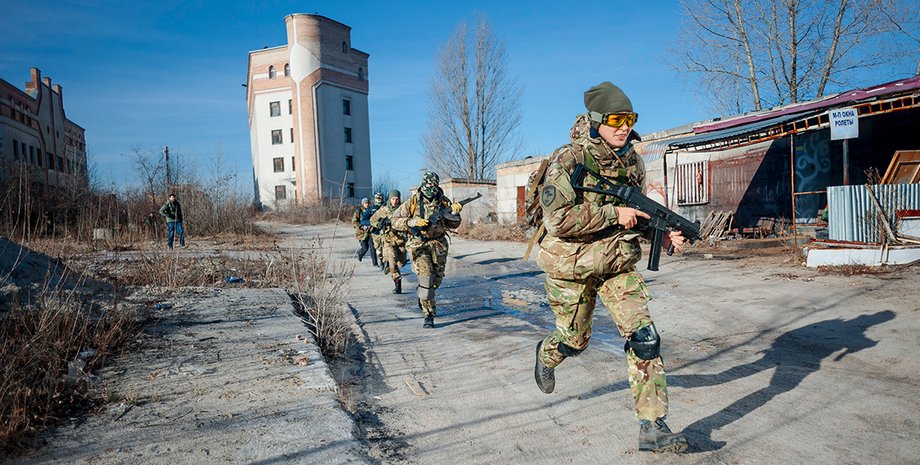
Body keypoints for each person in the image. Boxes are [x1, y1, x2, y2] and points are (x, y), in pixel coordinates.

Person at [532, 82, 688, 453]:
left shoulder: (632, 160)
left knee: (645, 338)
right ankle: (546, 355)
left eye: (629, 119)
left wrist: (661, 235)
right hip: (571, 264)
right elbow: (557, 221)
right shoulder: (568, 161)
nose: (623, 127)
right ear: (596, 121)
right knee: (574, 341)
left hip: (616, 263)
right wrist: (612, 213)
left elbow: (637, 213)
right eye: (616, 120)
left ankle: (652, 426)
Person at [391, 172, 462, 328]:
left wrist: (456, 213)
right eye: (428, 185)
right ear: (423, 185)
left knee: (436, 280)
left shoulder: (443, 201)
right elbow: (394, 221)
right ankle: (428, 314)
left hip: (439, 244)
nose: (431, 188)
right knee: (426, 277)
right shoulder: (413, 202)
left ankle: (423, 294)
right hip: (419, 244)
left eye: (434, 185)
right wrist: (411, 222)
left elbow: (453, 225)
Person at [370, 189, 408, 294]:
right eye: (393, 199)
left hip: (401, 241)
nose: (395, 201)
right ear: (389, 199)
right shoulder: (384, 210)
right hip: (388, 241)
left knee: (401, 263)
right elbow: (372, 220)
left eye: (397, 199)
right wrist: (380, 224)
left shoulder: (404, 209)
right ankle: (397, 284)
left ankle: (395, 265)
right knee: (393, 264)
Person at [351, 197, 378, 266]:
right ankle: (360, 254)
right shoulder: (358, 211)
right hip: (361, 233)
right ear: (363, 204)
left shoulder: (371, 211)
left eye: (368, 203)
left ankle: (375, 263)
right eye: (365, 203)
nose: (367, 204)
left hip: (370, 233)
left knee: (372, 248)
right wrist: (360, 226)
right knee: (365, 248)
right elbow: (354, 222)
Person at [370, 192, 387, 272]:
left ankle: (385, 263)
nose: (380, 200)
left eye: (381, 198)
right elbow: (364, 220)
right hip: (375, 232)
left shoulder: (386, 207)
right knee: (379, 250)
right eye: (378, 198)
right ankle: (381, 260)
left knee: (386, 248)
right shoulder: (371, 208)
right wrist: (375, 224)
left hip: (385, 232)